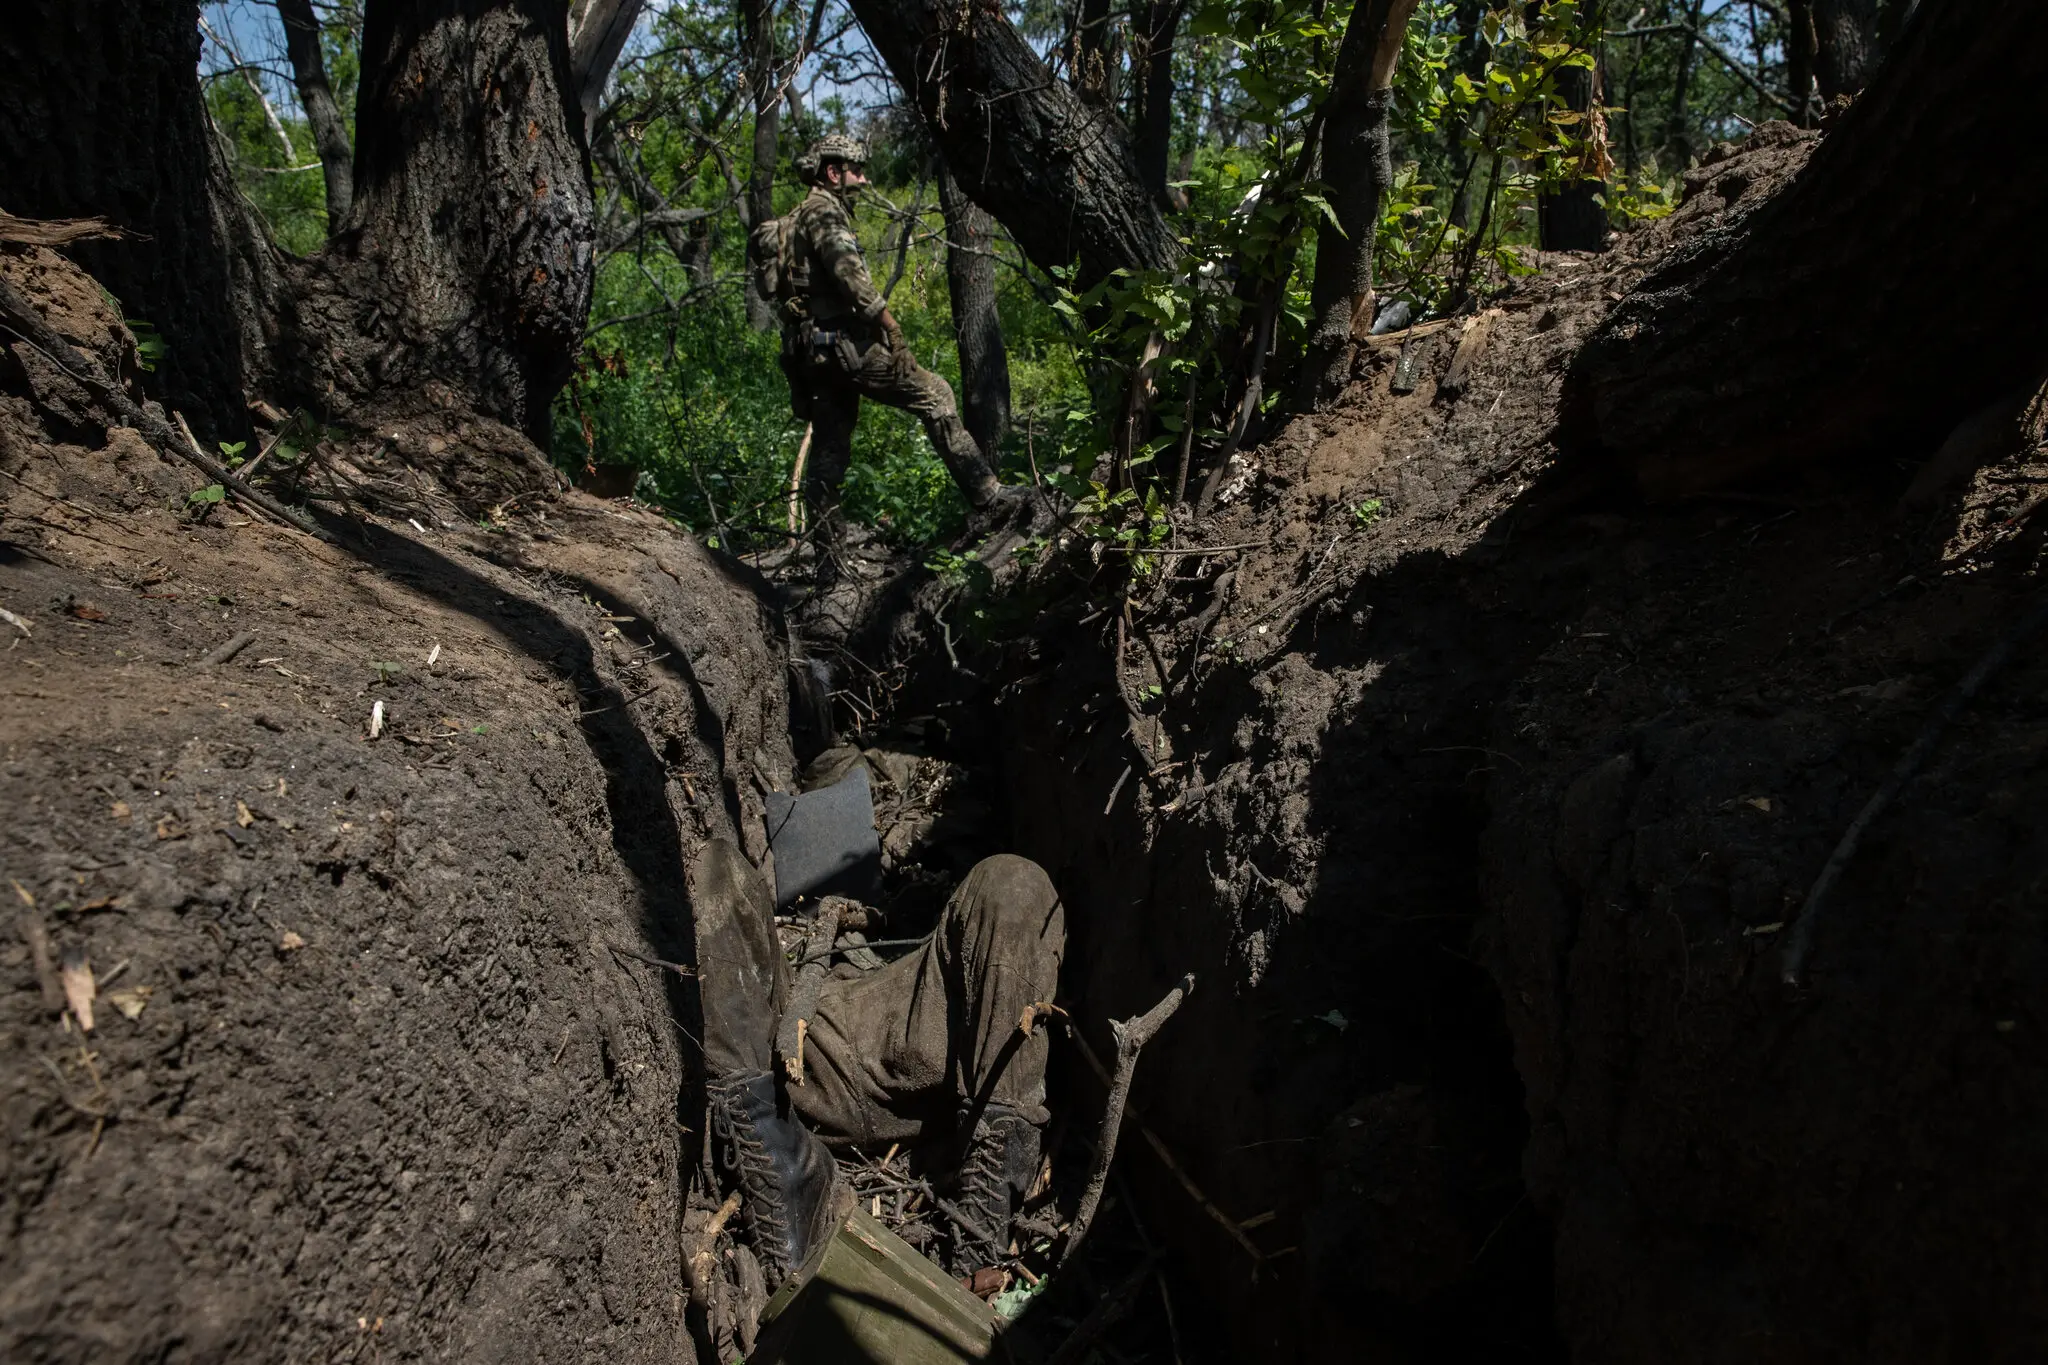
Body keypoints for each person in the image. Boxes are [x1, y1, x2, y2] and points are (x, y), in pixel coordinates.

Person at [691, 835, 1065, 1290]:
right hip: (801, 1062)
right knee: (718, 869)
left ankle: (980, 1227)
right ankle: (783, 1162)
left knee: (1015, 879)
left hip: (921, 1039)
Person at [777, 135, 1025, 534]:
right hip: (844, 348)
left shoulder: (800, 213)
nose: (862, 180)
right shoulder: (823, 213)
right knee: (936, 394)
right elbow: (852, 279)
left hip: (815, 353)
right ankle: (989, 496)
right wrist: (892, 329)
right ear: (833, 172)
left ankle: (827, 564)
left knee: (829, 450)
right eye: (856, 171)